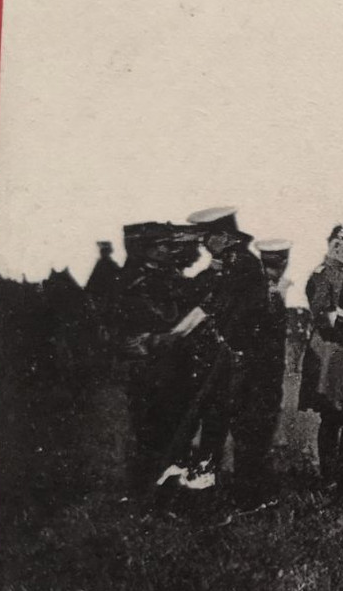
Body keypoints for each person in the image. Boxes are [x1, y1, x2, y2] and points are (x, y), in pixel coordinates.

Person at [187, 207, 272, 501]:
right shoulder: (235, 262)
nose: (203, 244)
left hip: (233, 356)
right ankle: (220, 488)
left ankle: (239, 492)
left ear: (223, 236)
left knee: (228, 422)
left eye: (207, 237)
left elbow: (233, 311)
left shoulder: (240, 264)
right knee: (221, 421)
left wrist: (221, 337)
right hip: (232, 354)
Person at [113, 221, 199, 500]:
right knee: (150, 430)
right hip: (148, 366)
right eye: (164, 245)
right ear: (145, 249)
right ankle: (145, 493)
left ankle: (166, 490)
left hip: (168, 364)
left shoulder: (163, 276)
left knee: (172, 428)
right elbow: (161, 320)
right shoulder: (134, 282)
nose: (170, 250)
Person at [299, 222, 343, 493]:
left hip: (341, 350)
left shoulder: (342, 274)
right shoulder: (323, 275)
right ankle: (330, 475)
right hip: (329, 351)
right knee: (331, 415)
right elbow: (321, 314)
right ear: (337, 246)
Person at [242, 238, 293, 504]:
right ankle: (251, 492)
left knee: (256, 431)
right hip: (262, 373)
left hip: (259, 372)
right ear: (283, 261)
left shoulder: (262, 288)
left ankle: (252, 486)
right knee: (257, 431)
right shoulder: (269, 292)